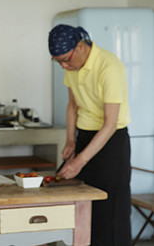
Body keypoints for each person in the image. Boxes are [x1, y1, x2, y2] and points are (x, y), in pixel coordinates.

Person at [49, 24, 131, 245]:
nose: (64, 66)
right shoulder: (72, 69)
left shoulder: (108, 66)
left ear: (81, 47)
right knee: (80, 204)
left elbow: (110, 124)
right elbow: (73, 106)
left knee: (109, 210)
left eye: (66, 59)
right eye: (59, 62)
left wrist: (80, 161)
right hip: (85, 137)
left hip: (111, 142)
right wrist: (70, 140)